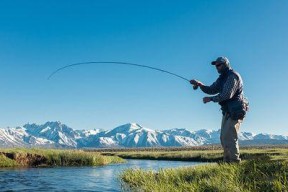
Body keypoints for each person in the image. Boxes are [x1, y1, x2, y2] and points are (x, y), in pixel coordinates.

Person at [190, 56, 248, 163]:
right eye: (216, 65)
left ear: (226, 64)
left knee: (230, 137)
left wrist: (211, 99)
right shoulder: (221, 78)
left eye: (219, 65)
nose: (217, 67)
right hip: (227, 111)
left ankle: (234, 163)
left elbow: (227, 94)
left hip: (236, 111)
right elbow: (211, 89)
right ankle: (227, 163)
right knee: (223, 138)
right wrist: (200, 84)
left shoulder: (232, 76)